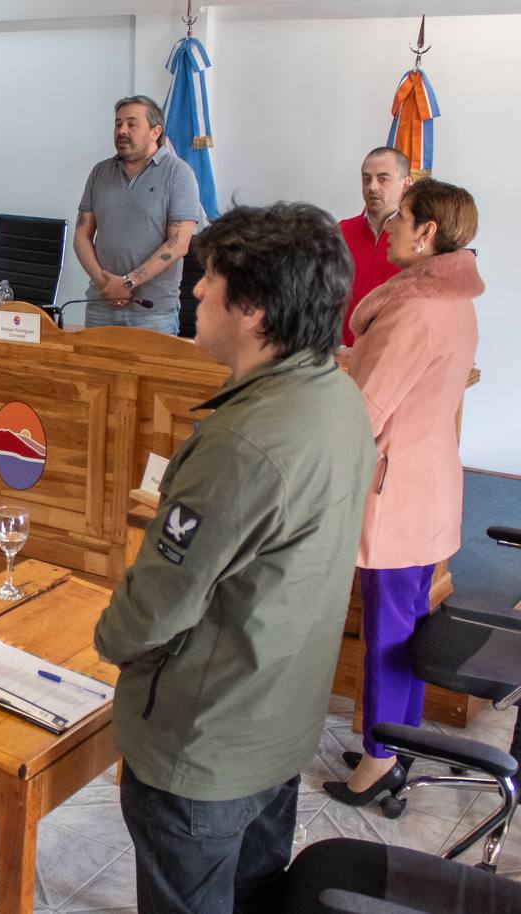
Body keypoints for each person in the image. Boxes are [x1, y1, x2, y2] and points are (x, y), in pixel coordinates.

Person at [93, 202, 376, 914]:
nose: (193, 291)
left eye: (207, 278)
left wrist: (110, 638)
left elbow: (155, 605)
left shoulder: (244, 444)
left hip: (205, 751)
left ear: (251, 308)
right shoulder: (339, 395)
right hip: (278, 727)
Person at [324, 179, 482, 808]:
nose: (385, 224)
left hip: (394, 490)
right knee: (407, 623)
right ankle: (392, 738)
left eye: (400, 218)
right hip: (428, 481)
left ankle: (379, 763)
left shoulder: (413, 309)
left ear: (428, 234)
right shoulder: (454, 300)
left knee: (387, 628)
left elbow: (366, 410)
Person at [73, 95, 204, 334]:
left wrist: (128, 282)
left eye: (131, 124)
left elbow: (179, 243)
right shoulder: (100, 172)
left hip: (152, 313)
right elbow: (81, 235)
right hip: (101, 306)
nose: (122, 130)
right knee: (97, 373)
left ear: (155, 131)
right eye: (118, 123)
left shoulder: (178, 173)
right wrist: (107, 285)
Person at [338, 147, 411, 346]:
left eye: (383, 179)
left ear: (406, 184)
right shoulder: (340, 233)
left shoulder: (418, 240)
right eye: (366, 179)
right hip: (340, 358)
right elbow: (323, 296)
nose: (372, 187)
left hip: (394, 357)